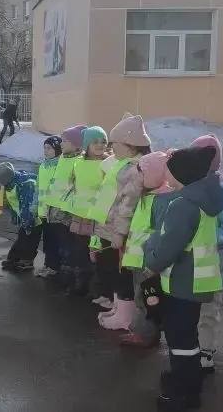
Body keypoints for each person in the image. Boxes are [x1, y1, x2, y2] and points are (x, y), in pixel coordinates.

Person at [142, 145, 223, 412]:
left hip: (183, 282)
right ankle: (187, 383)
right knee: (186, 336)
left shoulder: (185, 204)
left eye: (170, 173)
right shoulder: (205, 199)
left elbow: (169, 246)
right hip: (198, 280)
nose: (167, 178)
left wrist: (150, 259)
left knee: (181, 339)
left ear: (182, 175)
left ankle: (183, 393)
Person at [90, 113, 152, 330]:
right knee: (112, 271)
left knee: (122, 273)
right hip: (108, 228)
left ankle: (125, 317)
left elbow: (127, 205)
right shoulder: (120, 163)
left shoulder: (135, 169)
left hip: (121, 233)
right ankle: (118, 308)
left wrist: (119, 233)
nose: (111, 147)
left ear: (131, 145)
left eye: (115, 143)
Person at [190, 134, 223, 373]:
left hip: (212, 261)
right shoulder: (189, 186)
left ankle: (205, 350)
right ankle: (189, 346)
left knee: (208, 307)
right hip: (188, 261)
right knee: (189, 306)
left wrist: (210, 241)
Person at [119, 151, 178, 348]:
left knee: (147, 299)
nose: (139, 179)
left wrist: (152, 260)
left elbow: (161, 234)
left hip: (148, 262)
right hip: (139, 260)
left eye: (142, 174)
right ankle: (143, 332)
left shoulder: (162, 201)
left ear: (154, 175)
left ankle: (145, 335)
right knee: (143, 297)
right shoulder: (150, 196)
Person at [66, 126, 108, 296]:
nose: (100, 145)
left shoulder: (108, 164)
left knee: (99, 252)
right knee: (81, 251)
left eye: (103, 141)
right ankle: (82, 283)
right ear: (86, 145)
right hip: (80, 215)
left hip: (99, 216)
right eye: (95, 142)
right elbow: (72, 185)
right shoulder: (78, 163)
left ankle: (100, 288)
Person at [46, 125, 86, 283]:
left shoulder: (78, 161)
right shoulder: (63, 158)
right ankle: (62, 269)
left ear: (76, 144)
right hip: (55, 209)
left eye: (65, 141)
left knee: (70, 244)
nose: (61, 144)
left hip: (67, 212)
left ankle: (72, 274)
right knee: (60, 242)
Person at [0, 162, 41, 272]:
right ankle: (14, 258)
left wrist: (28, 224)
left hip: (35, 218)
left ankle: (27, 260)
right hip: (24, 218)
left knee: (30, 239)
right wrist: (15, 217)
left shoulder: (25, 185)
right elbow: (13, 202)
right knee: (22, 237)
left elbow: (27, 206)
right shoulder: (10, 185)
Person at [35, 136, 64, 278]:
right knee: (47, 240)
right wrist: (35, 205)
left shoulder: (60, 165)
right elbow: (38, 186)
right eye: (44, 148)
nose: (46, 151)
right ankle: (48, 264)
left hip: (55, 211)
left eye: (49, 148)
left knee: (54, 240)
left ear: (57, 149)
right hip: (43, 211)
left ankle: (54, 266)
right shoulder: (43, 165)